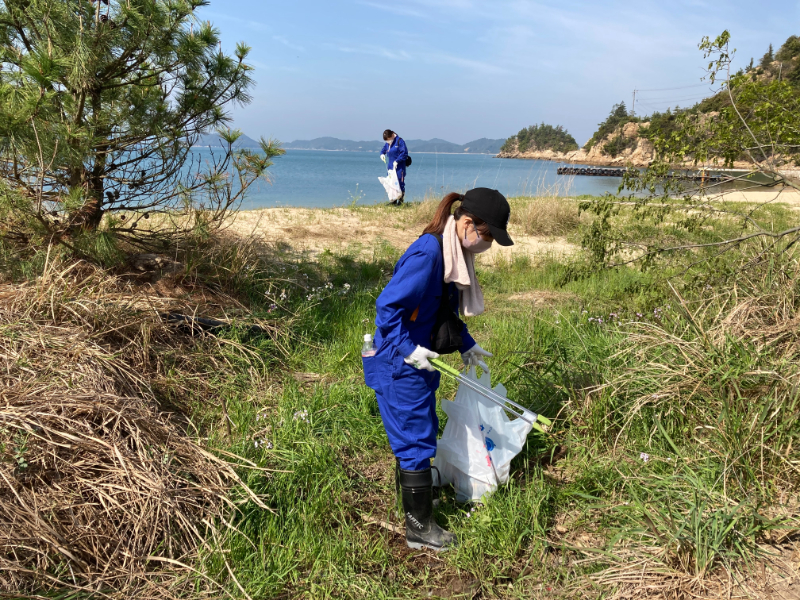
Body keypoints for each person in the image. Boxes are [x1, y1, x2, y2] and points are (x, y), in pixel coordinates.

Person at [362, 188, 514, 551]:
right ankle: (419, 528)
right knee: (415, 440)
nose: (487, 244)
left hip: (418, 360)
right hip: (399, 362)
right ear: (466, 223)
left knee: (421, 430)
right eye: (487, 235)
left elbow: (443, 312)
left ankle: (419, 496)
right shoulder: (429, 253)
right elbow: (387, 308)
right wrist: (407, 348)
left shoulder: (452, 252)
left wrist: (467, 343)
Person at [380, 129, 408, 205]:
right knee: (391, 183)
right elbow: (384, 149)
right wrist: (382, 154)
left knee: (399, 183)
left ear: (392, 135)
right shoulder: (388, 143)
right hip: (390, 167)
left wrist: (397, 161)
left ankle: (401, 202)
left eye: (389, 140)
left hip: (399, 166)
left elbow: (404, 153)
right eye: (386, 141)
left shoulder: (400, 141)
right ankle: (393, 201)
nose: (388, 142)